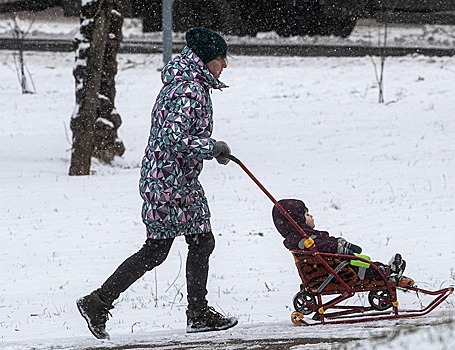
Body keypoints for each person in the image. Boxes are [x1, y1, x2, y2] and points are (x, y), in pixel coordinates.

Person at [77, 27, 237, 340]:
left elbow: (182, 136)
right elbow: (172, 138)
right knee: (156, 250)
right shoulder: (185, 90)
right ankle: (98, 302)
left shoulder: (194, 85)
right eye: (221, 58)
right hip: (166, 181)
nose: (225, 65)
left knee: (202, 241)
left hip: (180, 179)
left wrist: (210, 148)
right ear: (206, 59)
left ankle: (199, 313)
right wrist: (210, 147)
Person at [272, 199, 415, 288]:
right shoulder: (303, 240)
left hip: (333, 268)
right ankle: (388, 274)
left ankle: (387, 270)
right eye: (307, 214)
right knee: (362, 267)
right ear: (297, 220)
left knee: (364, 263)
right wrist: (345, 251)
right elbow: (325, 246)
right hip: (335, 273)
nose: (311, 216)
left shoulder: (305, 236)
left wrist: (343, 243)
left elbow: (327, 240)